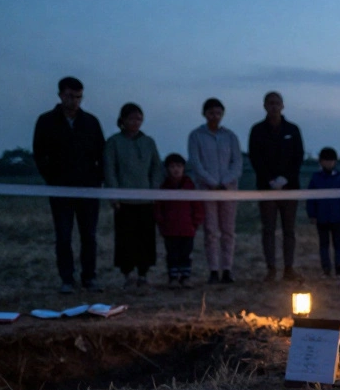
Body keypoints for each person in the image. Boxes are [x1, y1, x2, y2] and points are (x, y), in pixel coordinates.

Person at [33, 76, 105, 293]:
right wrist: (53, 179)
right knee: (63, 236)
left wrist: (95, 179)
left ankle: (89, 277)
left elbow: (101, 153)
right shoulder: (46, 121)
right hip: (60, 189)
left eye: (78, 96)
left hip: (88, 189)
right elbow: (39, 153)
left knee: (89, 236)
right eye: (69, 96)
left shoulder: (91, 122)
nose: (73, 100)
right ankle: (67, 278)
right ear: (60, 95)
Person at [104, 103, 163, 289]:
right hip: (124, 201)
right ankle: (127, 273)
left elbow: (157, 167)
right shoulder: (114, 142)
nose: (135, 122)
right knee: (126, 238)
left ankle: (143, 273)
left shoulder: (148, 142)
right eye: (132, 118)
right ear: (122, 120)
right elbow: (110, 169)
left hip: (145, 200)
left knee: (145, 238)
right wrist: (114, 194)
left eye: (139, 118)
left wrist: (153, 190)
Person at [248, 91, 304, 282]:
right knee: (268, 230)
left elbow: (298, 157)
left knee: (289, 230)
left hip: (289, 188)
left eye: (276, 103)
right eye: (270, 103)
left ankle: (289, 268)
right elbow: (255, 158)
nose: (273, 106)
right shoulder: (257, 130)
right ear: (264, 105)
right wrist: (270, 180)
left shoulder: (293, 129)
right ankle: (271, 268)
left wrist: (285, 179)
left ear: (282, 105)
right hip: (266, 188)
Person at [188, 97, 243, 284]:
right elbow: (196, 163)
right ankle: (213, 269)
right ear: (204, 114)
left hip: (228, 190)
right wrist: (211, 182)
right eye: (211, 112)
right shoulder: (196, 136)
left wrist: (225, 181)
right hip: (207, 189)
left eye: (218, 112)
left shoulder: (230, 136)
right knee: (211, 231)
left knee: (228, 230)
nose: (215, 116)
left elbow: (237, 163)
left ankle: (227, 268)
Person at [153, 153, 204, 287]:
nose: (176, 169)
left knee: (186, 254)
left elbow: (197, 206)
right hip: (170, 230)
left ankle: (185, 277)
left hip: (187, 229)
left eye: (179, 166)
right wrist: (162, 224)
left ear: (183, 168)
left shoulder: (189, 186)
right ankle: (173, 278)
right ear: (167, 168)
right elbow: (159, 208)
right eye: (172, 166)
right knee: (172, 254)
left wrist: (195, 223)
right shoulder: (164, 187)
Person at [305, 147, 340, 278]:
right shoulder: (316, 178)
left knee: (338, 244)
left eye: (331, 161)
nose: (328, 163)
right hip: (322, 217)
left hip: (337, 217)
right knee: (324, 244)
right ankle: (326, 268)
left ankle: (339, 267)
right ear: (321, 162)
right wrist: (312, 214)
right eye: (326, 161)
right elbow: (311, 198)